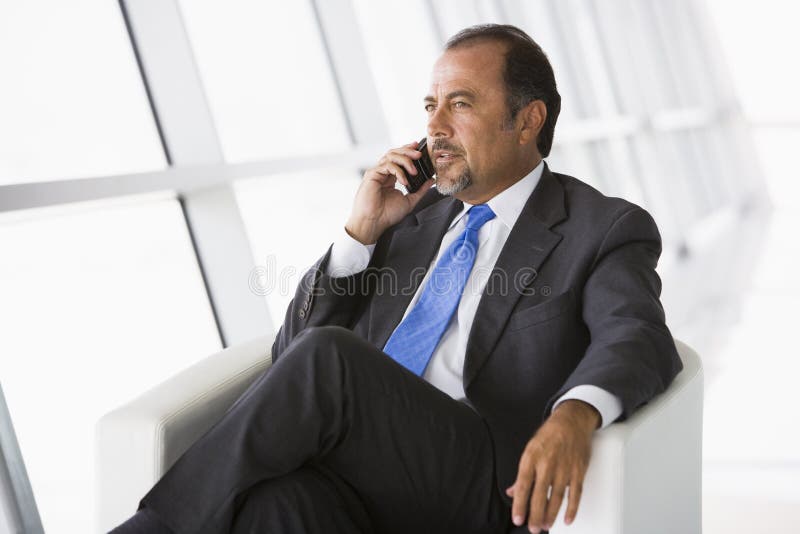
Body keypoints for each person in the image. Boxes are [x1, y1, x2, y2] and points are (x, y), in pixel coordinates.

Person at [111, 24, 682, 534]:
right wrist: (360, 233)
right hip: (366, 475)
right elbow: (290, 357)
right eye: (430, 106)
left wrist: (575, 414)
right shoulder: (410, 218)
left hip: (483, 485)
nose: (434, 127)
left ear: (528, 120)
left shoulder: (600, 228)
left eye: (459, 104)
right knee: (271, 506)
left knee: (330, 357)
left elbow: (637, 335)